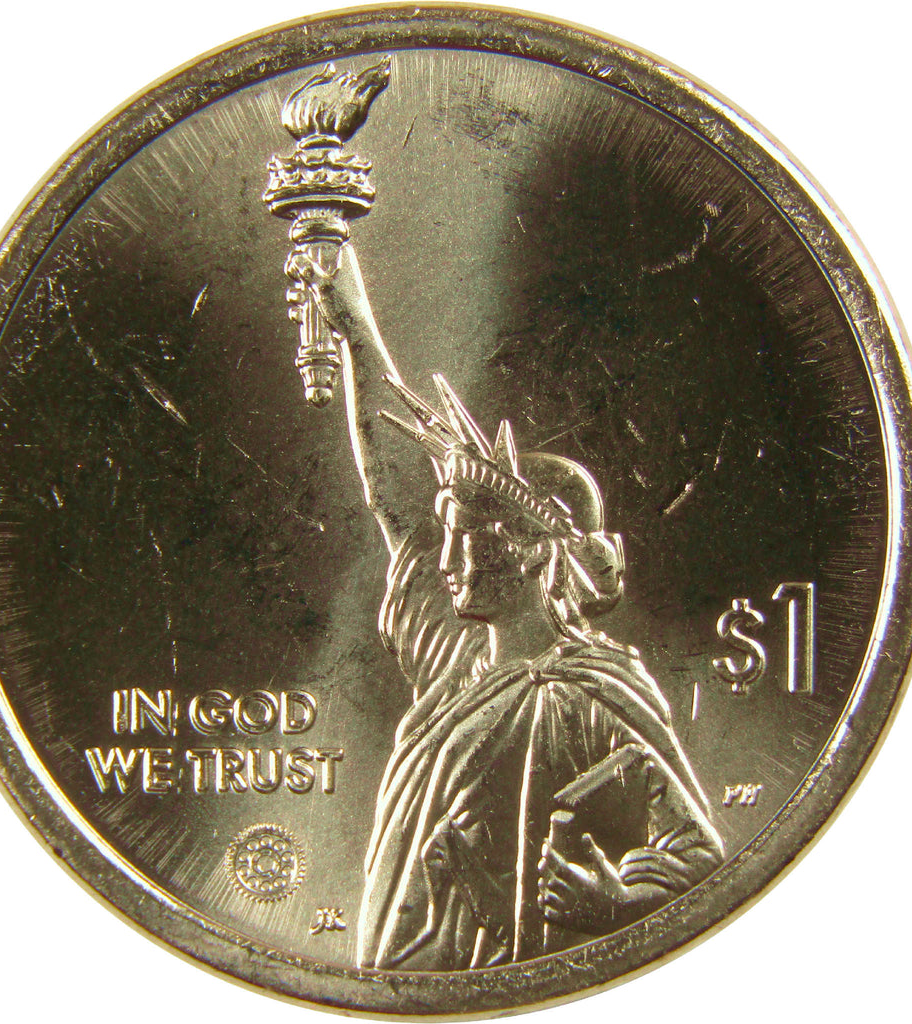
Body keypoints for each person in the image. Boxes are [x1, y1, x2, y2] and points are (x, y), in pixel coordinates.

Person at [286, 244, 724, 971]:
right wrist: (352, 322)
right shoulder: (457, 673)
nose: (446, 563)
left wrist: (615, 903)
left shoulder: (585, 698)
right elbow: (392, 495)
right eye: (445, 542)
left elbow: (701, 859)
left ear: (529, 552)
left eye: (468, 543)